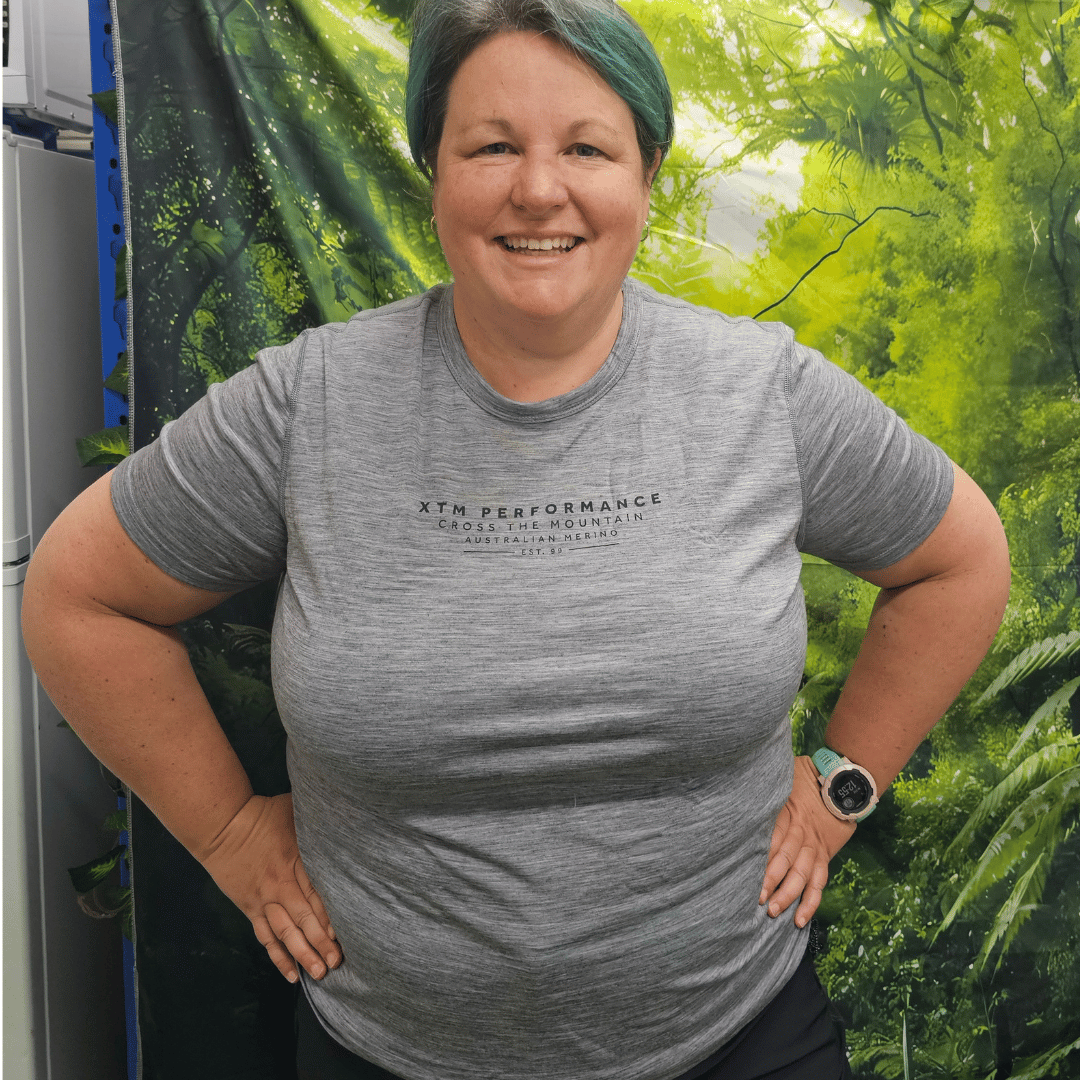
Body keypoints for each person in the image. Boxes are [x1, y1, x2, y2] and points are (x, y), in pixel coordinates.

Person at [22, 1, 1011, 1077]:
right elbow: (78, 596)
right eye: (491, 146)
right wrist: (226, 837)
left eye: (587, 147)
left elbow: (959, 561)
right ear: (432, 170)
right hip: (387, 1052)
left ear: (647, 170)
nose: (539, 190)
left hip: (741, 1037)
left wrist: (840, 789)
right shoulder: (312, 404)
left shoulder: (759, 392)